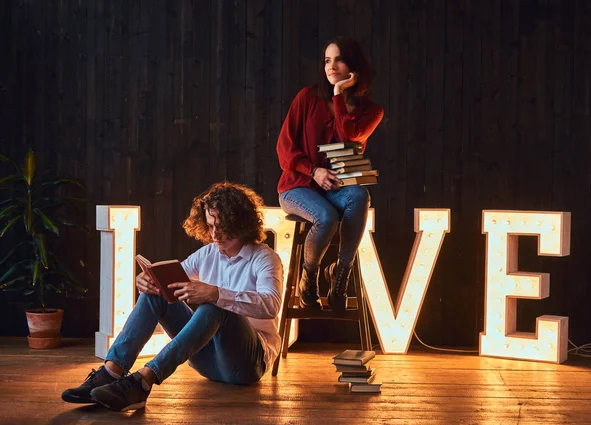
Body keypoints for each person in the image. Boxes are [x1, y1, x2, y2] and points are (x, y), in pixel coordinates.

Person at [61, 182, 283, 411]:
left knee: (214, 306)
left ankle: (143, 381)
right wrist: (147, 283)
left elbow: (271, 306)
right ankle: (110, 373)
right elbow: (170, 280)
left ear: (241, 223)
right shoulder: (208, 253)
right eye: (210, 226)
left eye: (222, 226)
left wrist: (216, 293)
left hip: (247, 365)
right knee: (155, 295)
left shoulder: (265, 259)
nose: (215, 234)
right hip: (207, 362)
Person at [276, 36, 384, 313]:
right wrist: (313, 171)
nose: (331, 66)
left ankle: (340, 274)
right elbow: (284, 149)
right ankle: (309, 277)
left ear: (355, 65)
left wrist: (338, 94)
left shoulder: (372, 111)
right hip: (297, 185)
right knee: (326, 217)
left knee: (360, 195)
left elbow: (349, 134)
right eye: (327, 60)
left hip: (337, 187)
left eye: (338, 59)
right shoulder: (307, 97)